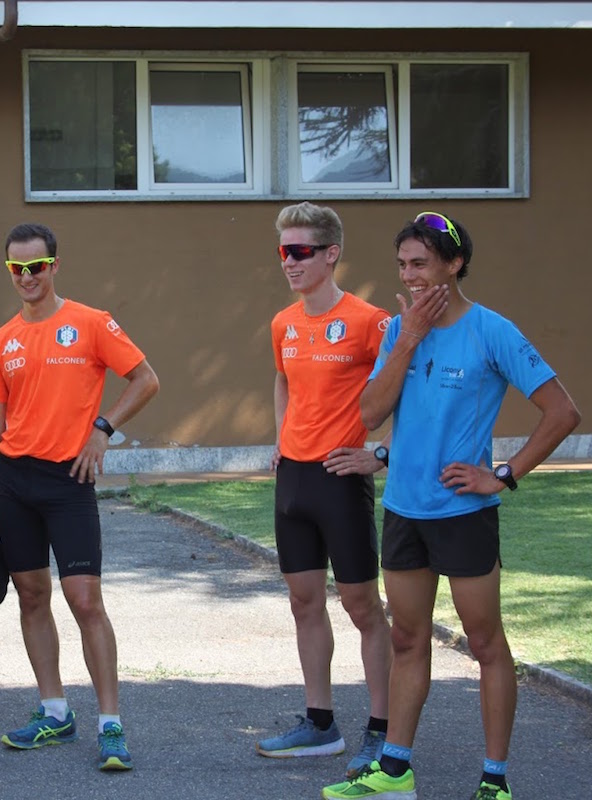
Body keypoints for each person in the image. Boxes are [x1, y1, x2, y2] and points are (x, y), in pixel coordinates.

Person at [322, 212, 581, 800]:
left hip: (463, 514)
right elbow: (369, 414)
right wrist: (409, 338)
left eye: (420, 263)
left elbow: (563, 412)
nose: (409, 276)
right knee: (407, 640)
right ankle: (395, 772)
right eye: (402, 265)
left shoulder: (492, 331)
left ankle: (494, 781)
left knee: (485, 643)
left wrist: (503, 475)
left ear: (455, 263)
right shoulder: (399, 330)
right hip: (404, 510)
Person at [0, 222, 159, 772]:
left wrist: (104, 427)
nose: (27, 277)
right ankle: (54, 711)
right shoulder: (0, 341)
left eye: (36, 267)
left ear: (54, 265)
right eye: (17, 269)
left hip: (68, 481)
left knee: (85, 600)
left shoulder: (91, 323)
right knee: (31, 596)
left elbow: (146, 379)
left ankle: (110, 724)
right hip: (14, 482)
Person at [256, 203, 393, 777]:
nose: (288, 262)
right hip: (294, 479)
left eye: (300, 251)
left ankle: (383, 733)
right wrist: (282, 437)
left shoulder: (371, 322)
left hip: (341, 478)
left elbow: (407, 393)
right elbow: (283, 382)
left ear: (331, 253)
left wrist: (380, 453)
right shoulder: (283, 323)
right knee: (303, 602)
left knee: (362, 606)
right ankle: (320, 724)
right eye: (283, 251)